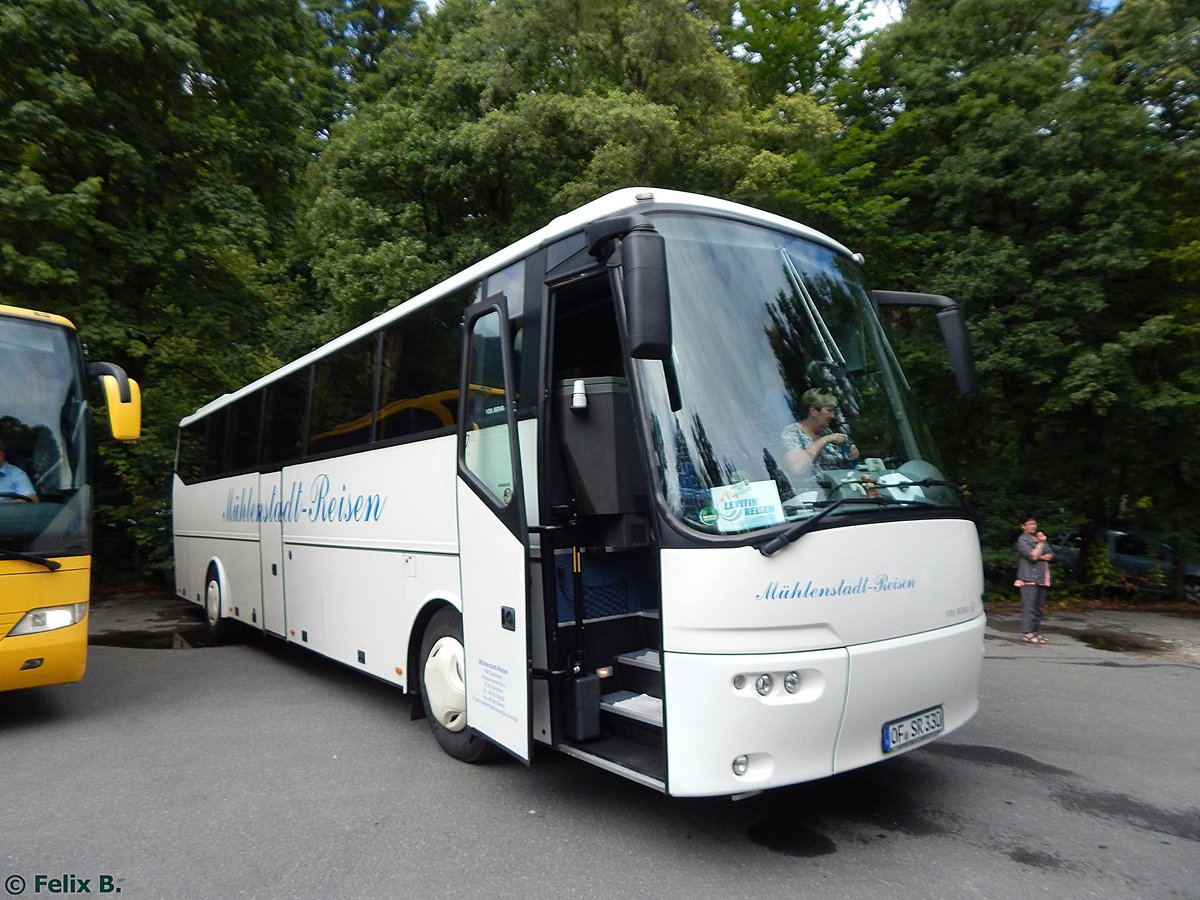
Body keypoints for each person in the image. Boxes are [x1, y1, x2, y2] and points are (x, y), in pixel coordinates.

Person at [781, 388, 859, 475]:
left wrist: (852, 454)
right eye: (829, 410)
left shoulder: (826, 432)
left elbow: (841, 466)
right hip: (812, 488)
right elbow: (797, 467)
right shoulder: (792, 432)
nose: (832, 416)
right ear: (813, 411)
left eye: (833, 411)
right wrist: (824, 440)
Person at [1015, 515, 1052, 643]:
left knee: (1039, 607)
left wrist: (1040, 549)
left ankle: (1035, 631)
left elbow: (1050, 554)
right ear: (1023, 526)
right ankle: (1027, 633)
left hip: (1041, 577)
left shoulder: (1038, 538)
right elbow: (1033, 557)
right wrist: (1040, 545)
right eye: (1029, 524)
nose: (1033, 526)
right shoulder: (1022, 540)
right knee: (1029, 606)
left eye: (1034, 523)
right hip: (1028, 577)